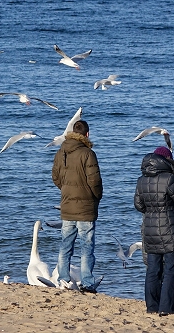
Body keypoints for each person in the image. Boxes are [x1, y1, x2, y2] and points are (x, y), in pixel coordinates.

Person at [134, 146, 174, 316]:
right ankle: (166, 308)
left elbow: (138, 205)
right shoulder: (169, 178)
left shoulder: (141, 180)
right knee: (171, 270)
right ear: (166, 160)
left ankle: (152, 307)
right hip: (170, 228)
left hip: (150, 229)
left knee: (153, 270)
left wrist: (152, 212)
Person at [52, 119, 103, 293]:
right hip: (85, 208)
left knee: (65, 245)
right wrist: (96, 197)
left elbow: (55, 177)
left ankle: (63, 279)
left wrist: (66, 190)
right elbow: (95, 181)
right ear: (87, 134)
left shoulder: (61, 152)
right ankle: (87, 282)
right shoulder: (88, 154)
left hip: (67, 205)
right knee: (86, 247)